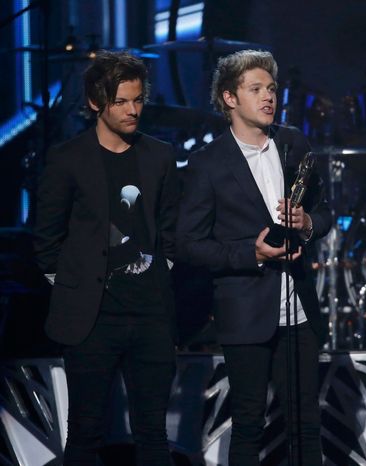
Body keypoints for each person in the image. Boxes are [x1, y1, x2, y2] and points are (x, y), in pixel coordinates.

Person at [176, 49, 331, 466]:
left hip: (298, 310)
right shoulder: (207, 164)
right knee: (249, 421)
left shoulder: (293, 142)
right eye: (256, 89)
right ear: (230, 98)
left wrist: (307, 222)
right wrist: (251, 253)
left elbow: (325, 212)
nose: (268, 97)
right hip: (246, 312)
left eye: (272, 89)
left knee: (306, 423)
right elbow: (188, 243)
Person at [33, 50, 179, 465]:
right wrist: (72, 287)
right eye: (121, 102)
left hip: (151, 316)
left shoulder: (160, 156)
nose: (133, 110)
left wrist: (161, 271)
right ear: (97, 102)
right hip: (91, 319)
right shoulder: (68, 158)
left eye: (138, 100)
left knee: (153, 436)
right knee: (85, 434)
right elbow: (45, 238)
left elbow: (170, 228)